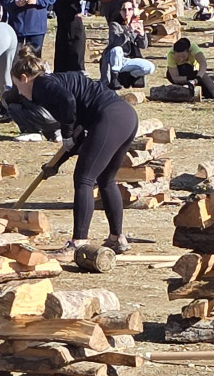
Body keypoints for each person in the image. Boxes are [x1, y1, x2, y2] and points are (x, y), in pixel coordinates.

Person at [10, 51, 138, 253]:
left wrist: (66, 133)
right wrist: (55, 165)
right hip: (126, 117)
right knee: (106, 179)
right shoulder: (55, 83)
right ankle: (117, 238)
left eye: (17, 85)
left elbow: (68, 103)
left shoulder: (42, 85)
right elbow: (78, 138)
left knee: (84, 179)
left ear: (24, 78)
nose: (19, 92)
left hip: (110, 117)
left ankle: (78, 242)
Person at [99, 0, 153, 89]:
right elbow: (116, 43)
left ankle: (130, 76)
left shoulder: (135, 23)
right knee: (117, 49)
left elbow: (143, 46)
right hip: (115, 59)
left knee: (150, 67)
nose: (127, 12)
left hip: (127, 60)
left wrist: (142, 34)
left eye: (129, 9)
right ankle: (114, 77)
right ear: (120, 11)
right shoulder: (115, 25)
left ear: (133, 11)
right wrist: (128, 31)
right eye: (124, 10)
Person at [163, 36, 214, 100]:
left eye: (183, 56)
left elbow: (203, 64)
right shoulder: (171, 54)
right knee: (185, 68)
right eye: (178, 57)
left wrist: (198, 78)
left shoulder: (193, 48)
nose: (181, 60)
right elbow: (175, 77)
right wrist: (188, 78)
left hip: (195, 73)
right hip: (181, 73)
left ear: (189, 51)